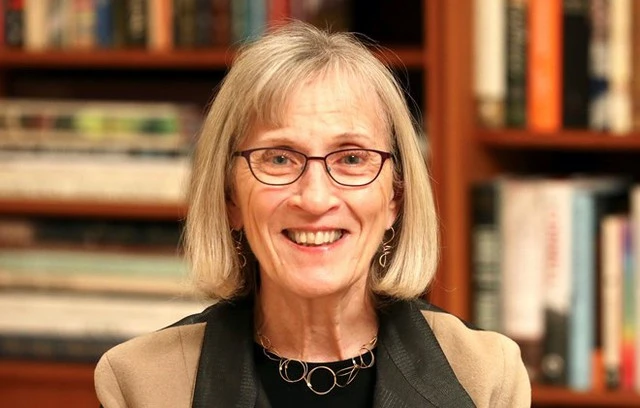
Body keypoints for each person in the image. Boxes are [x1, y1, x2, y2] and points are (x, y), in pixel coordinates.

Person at [94, 21, 531, 407]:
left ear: (395, 198)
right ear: (230, 198)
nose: (316, 199)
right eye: (279, 158)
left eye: (352, 158)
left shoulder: (486, 376)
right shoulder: (140, 383)